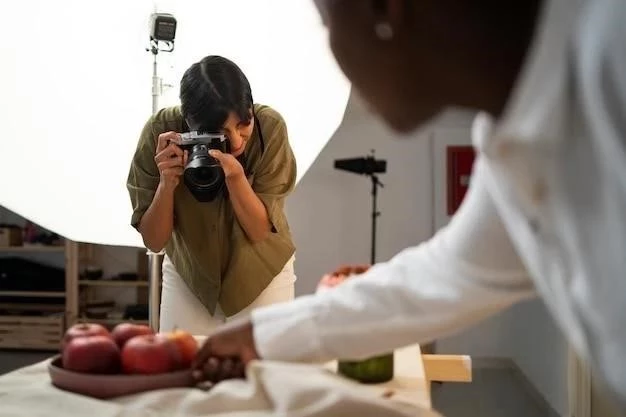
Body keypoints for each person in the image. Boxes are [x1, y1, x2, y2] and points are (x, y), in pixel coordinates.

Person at [192, 0, 626, 409]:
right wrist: (262, 335)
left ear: (383, 8)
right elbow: (440, 278)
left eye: (328, 27)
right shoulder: (514, 147)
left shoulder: (611, 53)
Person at [126, 55, 298, 335]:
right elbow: (154, 241)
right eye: (223, 133)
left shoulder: (270, 128)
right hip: (191, 273)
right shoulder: (161, 133)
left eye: (244, 123)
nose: (239, 140)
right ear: (190, 125)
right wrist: (167, 184)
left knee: (262, 371)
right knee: (183, 368)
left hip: (260, 271)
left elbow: (258, 231)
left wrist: (236, 176)